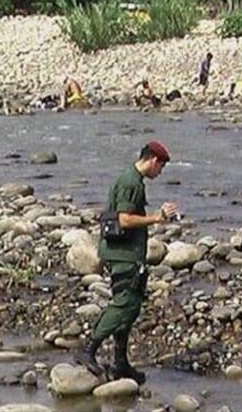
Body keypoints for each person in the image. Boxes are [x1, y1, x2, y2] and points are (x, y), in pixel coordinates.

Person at [77, 141, 179, 383]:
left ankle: (121, 363)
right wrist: (157, 217)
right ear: (153, 160)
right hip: (123, 255)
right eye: (161, 168)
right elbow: (124, 220)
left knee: (129, 308)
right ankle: (88, 350)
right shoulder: (131, 182)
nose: (160, 173)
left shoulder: (131, 179)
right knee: (125, 305)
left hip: (126, 253)